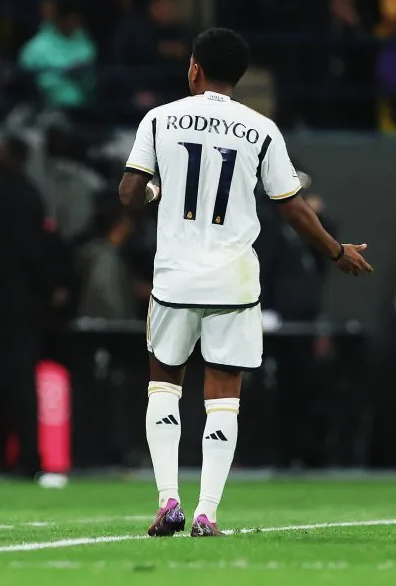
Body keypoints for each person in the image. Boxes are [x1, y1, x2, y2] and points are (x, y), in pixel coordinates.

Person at [118, 27, 373, 538]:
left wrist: (155, 193)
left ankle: (169, 500)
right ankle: (208, 511)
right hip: (233, 282)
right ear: (239, 77)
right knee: (224, 397)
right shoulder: (261, 129)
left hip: (174, 279)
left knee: (164, 385)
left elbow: (128, 192)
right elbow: (294, 209)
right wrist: (336, 251)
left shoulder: (158, 119)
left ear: (194, 68)